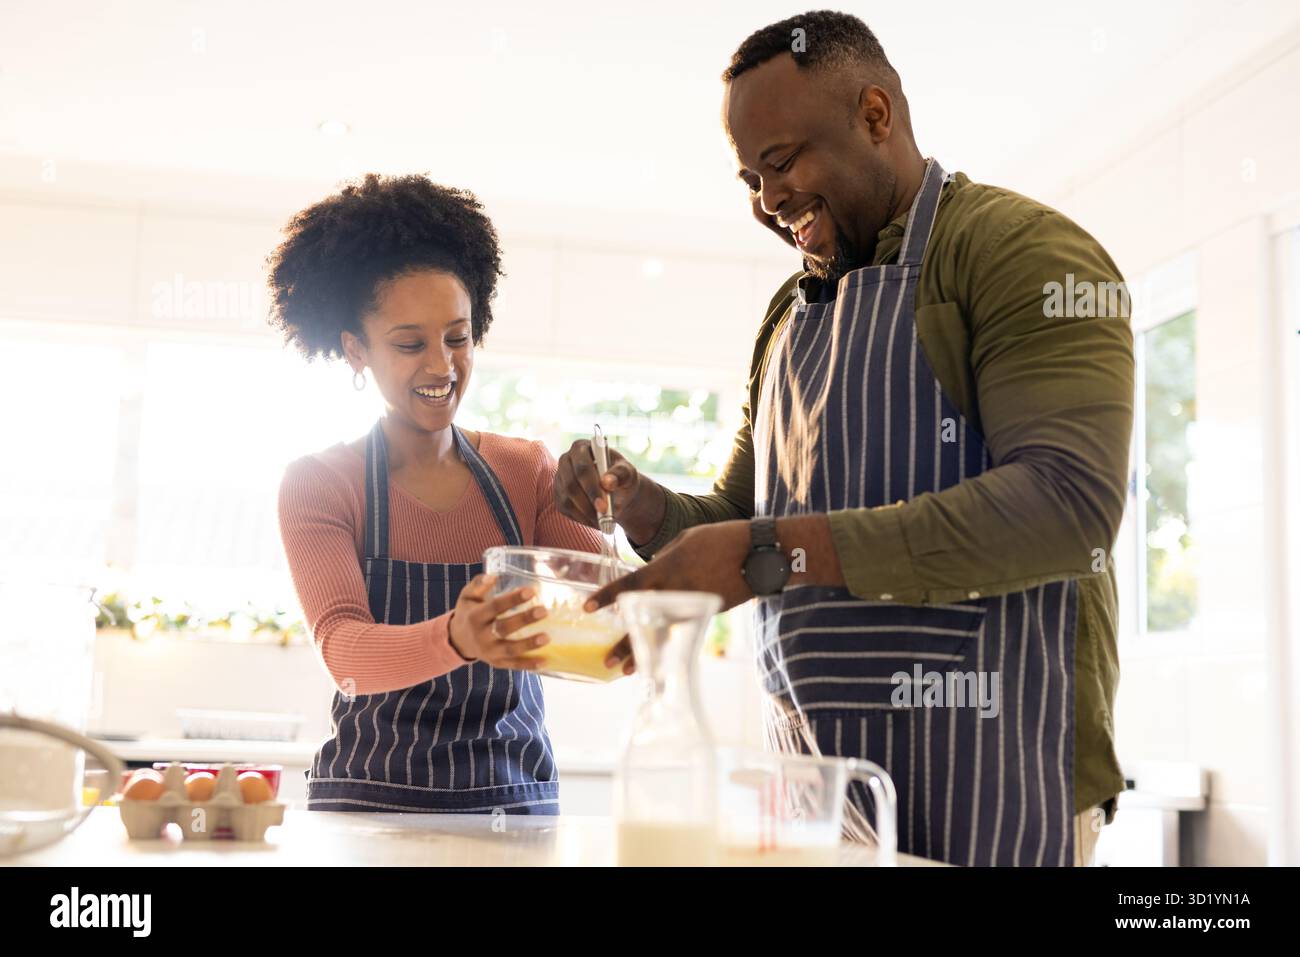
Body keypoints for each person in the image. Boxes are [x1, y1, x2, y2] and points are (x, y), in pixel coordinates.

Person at [556, 11, 1132, 865]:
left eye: (781, 163)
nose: (766, 200)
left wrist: (771, 552)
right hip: (818, 790)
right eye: (749, 178)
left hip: (1001, 777)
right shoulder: (789, 315)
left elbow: (1066, 506)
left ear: (874, 115)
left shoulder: (1020, 253)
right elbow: (736, 518)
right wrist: (639, 503)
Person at [269, 173, 603, 813]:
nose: (442, 366)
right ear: (355, 350)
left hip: (513, 807)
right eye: (409, 344)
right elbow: (344, 653)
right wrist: (458, 637)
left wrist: (620, 510)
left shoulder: (525, 470)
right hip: (369, 810)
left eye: (458, 336)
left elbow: (619, 629)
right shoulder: (320, 485)